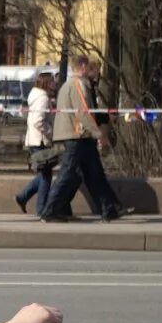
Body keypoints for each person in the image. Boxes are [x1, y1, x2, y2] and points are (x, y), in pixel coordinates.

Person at [42, 55, 125, 222]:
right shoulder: (78, 85)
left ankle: (108, 209)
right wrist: (99, 133)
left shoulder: (69, 85)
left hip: (80, 137)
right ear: (82, 66)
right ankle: (49, 211)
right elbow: (83, 113)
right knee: (67, 173)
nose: (91, 70)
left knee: (95, 174)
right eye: (88, 66)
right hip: (75, 136)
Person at [14, 71, 58, 216]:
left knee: (44, 173)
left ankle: (23, 197)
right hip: (40, 140)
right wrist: (50, 132)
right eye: (52, 81)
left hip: (34, 139)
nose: (54, 83)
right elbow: (38, 121)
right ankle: (41, 209)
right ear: (46, 82)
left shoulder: (36, 96)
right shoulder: (43, 98)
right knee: (46, 175)